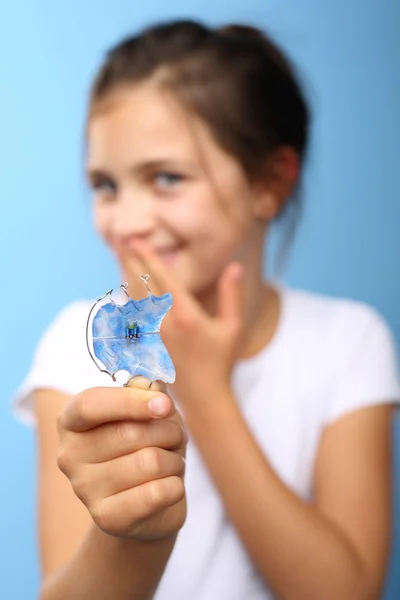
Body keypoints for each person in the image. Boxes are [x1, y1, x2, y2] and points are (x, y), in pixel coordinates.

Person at [14, 19, 400, 600]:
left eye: (166, 178)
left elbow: (345, 591)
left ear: (269, 183)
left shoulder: (349, 342)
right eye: (105, 185)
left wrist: (204, 390)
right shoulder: (72, 347)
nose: (125, 222)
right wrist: (138, 535)